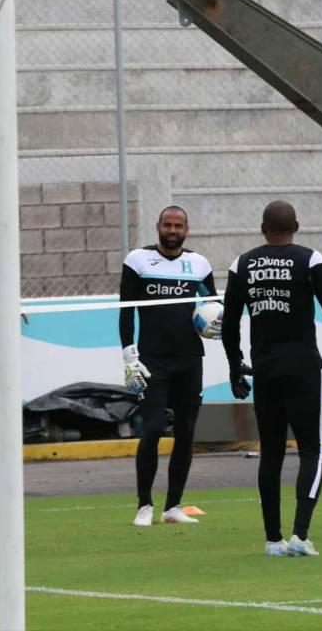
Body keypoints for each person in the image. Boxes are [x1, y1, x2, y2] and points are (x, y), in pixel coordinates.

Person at [222, 201, 322, 557]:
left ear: (263, 229)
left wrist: (234, 366)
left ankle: (272, 540)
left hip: (265, 371)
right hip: (304, 369)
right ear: (297, 226)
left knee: (271, 454)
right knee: (312, 450)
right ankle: (300, 535)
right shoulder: (310, 260)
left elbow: (229, 322)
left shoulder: (242, 264)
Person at [120, 206, 217, 527]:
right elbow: (126, 310)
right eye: (167, 225)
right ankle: (144, 505)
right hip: (152, 361)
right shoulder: (138, 261)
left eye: (178, 226)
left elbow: (214, 306)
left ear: (186, 230)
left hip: (190, 359)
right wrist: (129, 356)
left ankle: (173, 506)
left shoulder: (199, 264)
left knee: (186, 432)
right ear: (158, 226)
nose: (172, 230)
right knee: (152, 429)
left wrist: (215, 323)